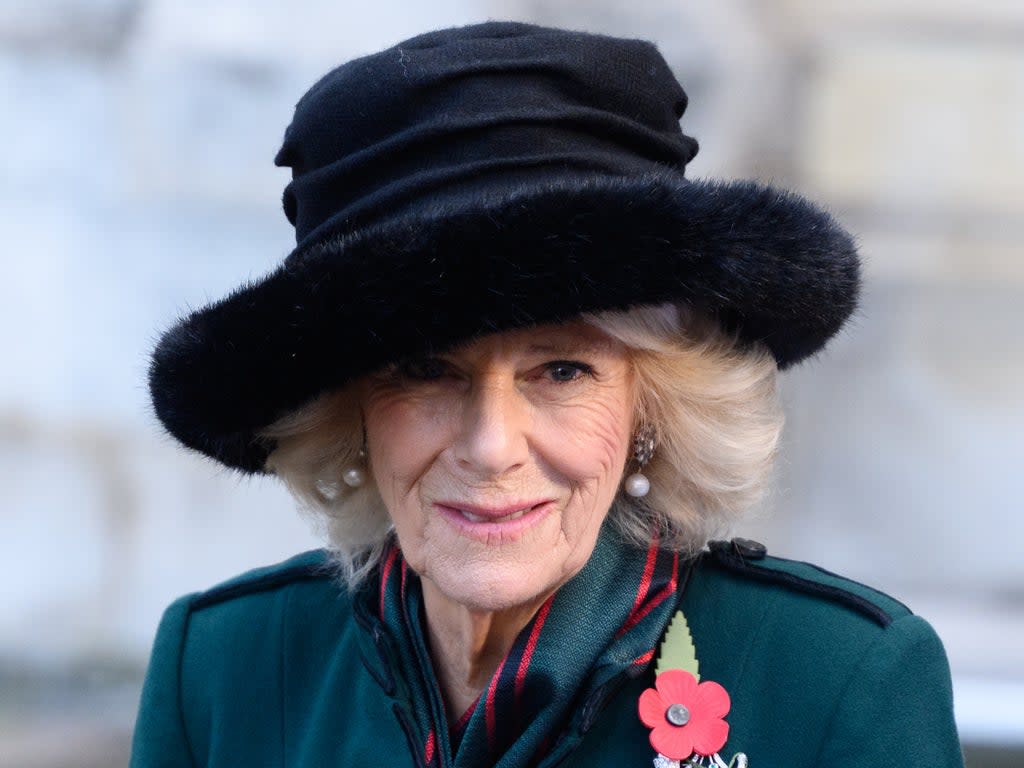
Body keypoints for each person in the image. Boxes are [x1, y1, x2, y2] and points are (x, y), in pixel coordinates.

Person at [131, 20, 964, 768]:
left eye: (563, 371)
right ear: (348, 415)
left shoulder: (839, 683)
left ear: (654, 406)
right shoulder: (221, 668)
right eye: (426, 372)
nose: (492, 446)